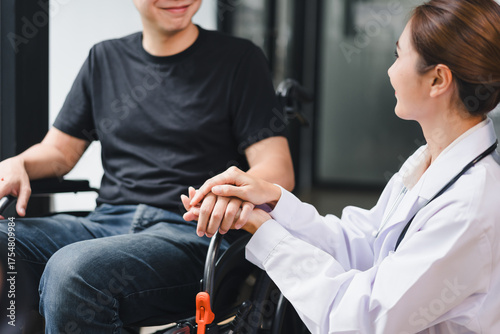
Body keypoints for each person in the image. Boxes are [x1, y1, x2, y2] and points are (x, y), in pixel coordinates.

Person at [184, 0, 500, 332]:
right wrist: (273, 201)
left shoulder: (469, 207)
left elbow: (360, 318)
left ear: (438, 80)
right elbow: (363, 246)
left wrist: (267, 234)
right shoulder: (428, 162)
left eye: (398, 56)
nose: (390, 71)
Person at [0, 0, 295, 332]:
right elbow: (59, 153)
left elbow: (276, 167)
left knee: (72, 272)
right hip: (105, 225)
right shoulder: (104, 59)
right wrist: (18, 162)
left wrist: (230, 190)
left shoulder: (239, 59)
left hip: (192, 234)